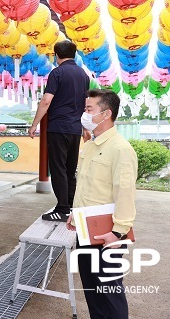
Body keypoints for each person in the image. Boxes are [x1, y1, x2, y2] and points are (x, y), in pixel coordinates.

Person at [67, 89, 138, 319]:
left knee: (109, 294)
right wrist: (74, 213)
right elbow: (85, 186)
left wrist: (118, 233)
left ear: (106, 113)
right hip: (86, 230)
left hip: (108, 235)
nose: (84, 114)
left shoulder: (120, 148)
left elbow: (125, 193)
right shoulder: (89, 145)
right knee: (92, 291)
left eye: (89, 109)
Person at [28, 40, 90, 222]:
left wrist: (34, 125)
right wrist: (85, 128)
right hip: (75, 129)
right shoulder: (83, 75)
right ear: (74, 54)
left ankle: (62, 209)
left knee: (57, 168)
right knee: (70, 169)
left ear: (56, 55)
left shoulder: (57, 73)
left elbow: (46, 101)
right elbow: (85, 105)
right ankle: (71, 206)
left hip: (58, 127)